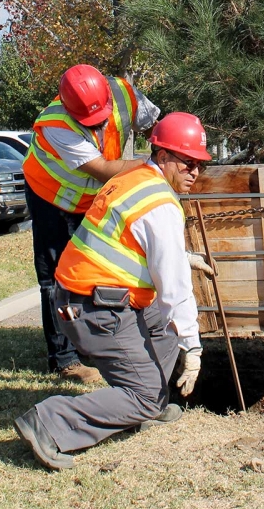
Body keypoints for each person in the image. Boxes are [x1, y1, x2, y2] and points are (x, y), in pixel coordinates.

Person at [14, 112, 212, 471]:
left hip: (91, 295)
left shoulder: (135, 177)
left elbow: (131, 239)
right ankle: (51, 424)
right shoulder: (162, 205)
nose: (195, 171)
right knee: (149, 388)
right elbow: (175, 289)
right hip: (92, 308)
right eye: (188, 162)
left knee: (164, 325)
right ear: (164, 156)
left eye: (200, 163)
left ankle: (145, 398)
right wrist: (194, 349)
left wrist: (181, 256)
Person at [22, 64, 160, 383]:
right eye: (90, 122)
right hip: (49, 196)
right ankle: (65, 359)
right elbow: (100, 168)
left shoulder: (124, 93)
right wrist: (154, 166)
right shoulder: (55, 123)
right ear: (68, 107)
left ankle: (93, 341)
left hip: (90, 199)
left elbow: (155, 124)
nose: (99, 125)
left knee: (97, 268)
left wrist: (168, 145)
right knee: (56, 275)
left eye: (101, 117)